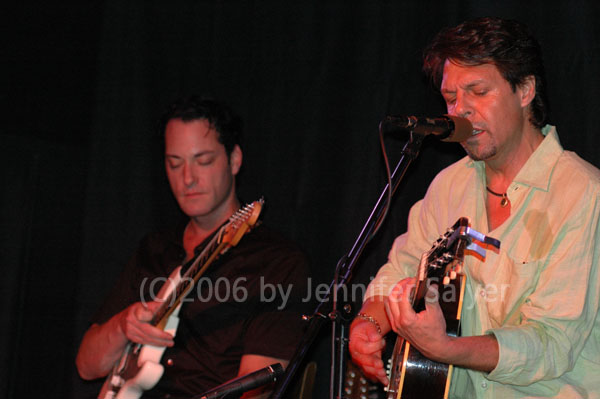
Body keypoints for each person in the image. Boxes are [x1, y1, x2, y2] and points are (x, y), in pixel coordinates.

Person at [349, 16, 600, 398]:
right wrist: (367, 324)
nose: (460, 111)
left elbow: (551, 344)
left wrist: (445, 349)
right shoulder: (450, 185)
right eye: (451, 98)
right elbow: (398, 270)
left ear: (526, 90)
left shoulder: (583, 193)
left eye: (478, 91)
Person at [76, 96, 310, 399]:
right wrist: (124, 326)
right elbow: (87, 366)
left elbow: (258, 389)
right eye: (175, 163)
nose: (187, 178)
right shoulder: (155, 249)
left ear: (234, 159)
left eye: (203, 161)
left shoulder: (276, 262)